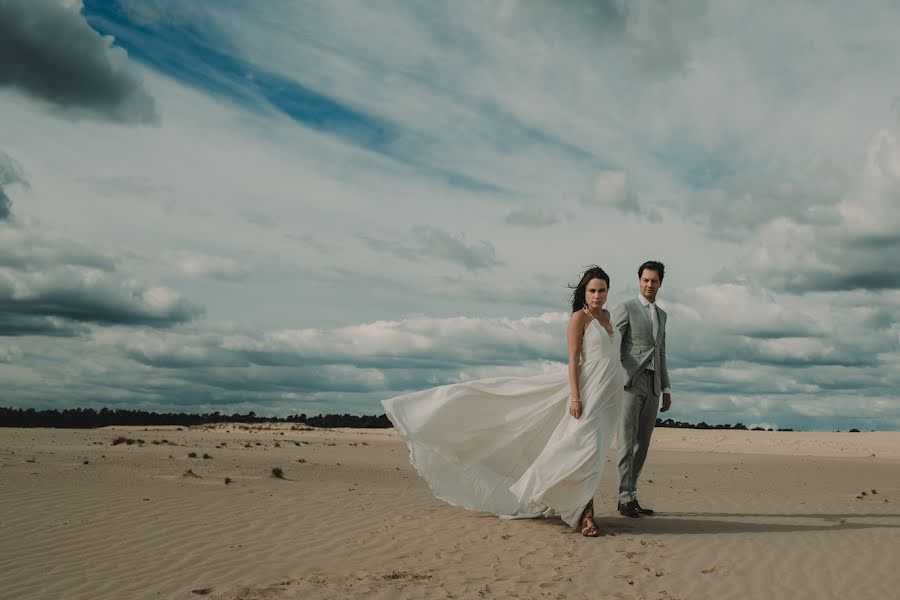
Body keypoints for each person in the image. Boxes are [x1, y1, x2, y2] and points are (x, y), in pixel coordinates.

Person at [382, 266, 625, 537]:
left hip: (610, 395)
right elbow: (573, 361)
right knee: (585, 450)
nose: (597, 295)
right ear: (584, 292)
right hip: (588, 391)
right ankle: (583, 513)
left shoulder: (608, 316)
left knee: (596, 452)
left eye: (602, 290)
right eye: (592, 290)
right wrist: (576, 397)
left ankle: (570, 502)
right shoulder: (579, 319)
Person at [612, 260, 672, 518]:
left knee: (642, 443)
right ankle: (624, 498)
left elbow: (661, 353)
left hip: (654, 384)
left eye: (654, 281)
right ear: (639, 281)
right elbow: (611, 343)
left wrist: (666, 388)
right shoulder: (625, 308)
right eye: (645, 280)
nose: (649, 285)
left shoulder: (662, 315)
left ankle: (631, 495)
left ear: (660, 283)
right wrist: (615, 376)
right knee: (626, 442)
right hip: (629, 383)